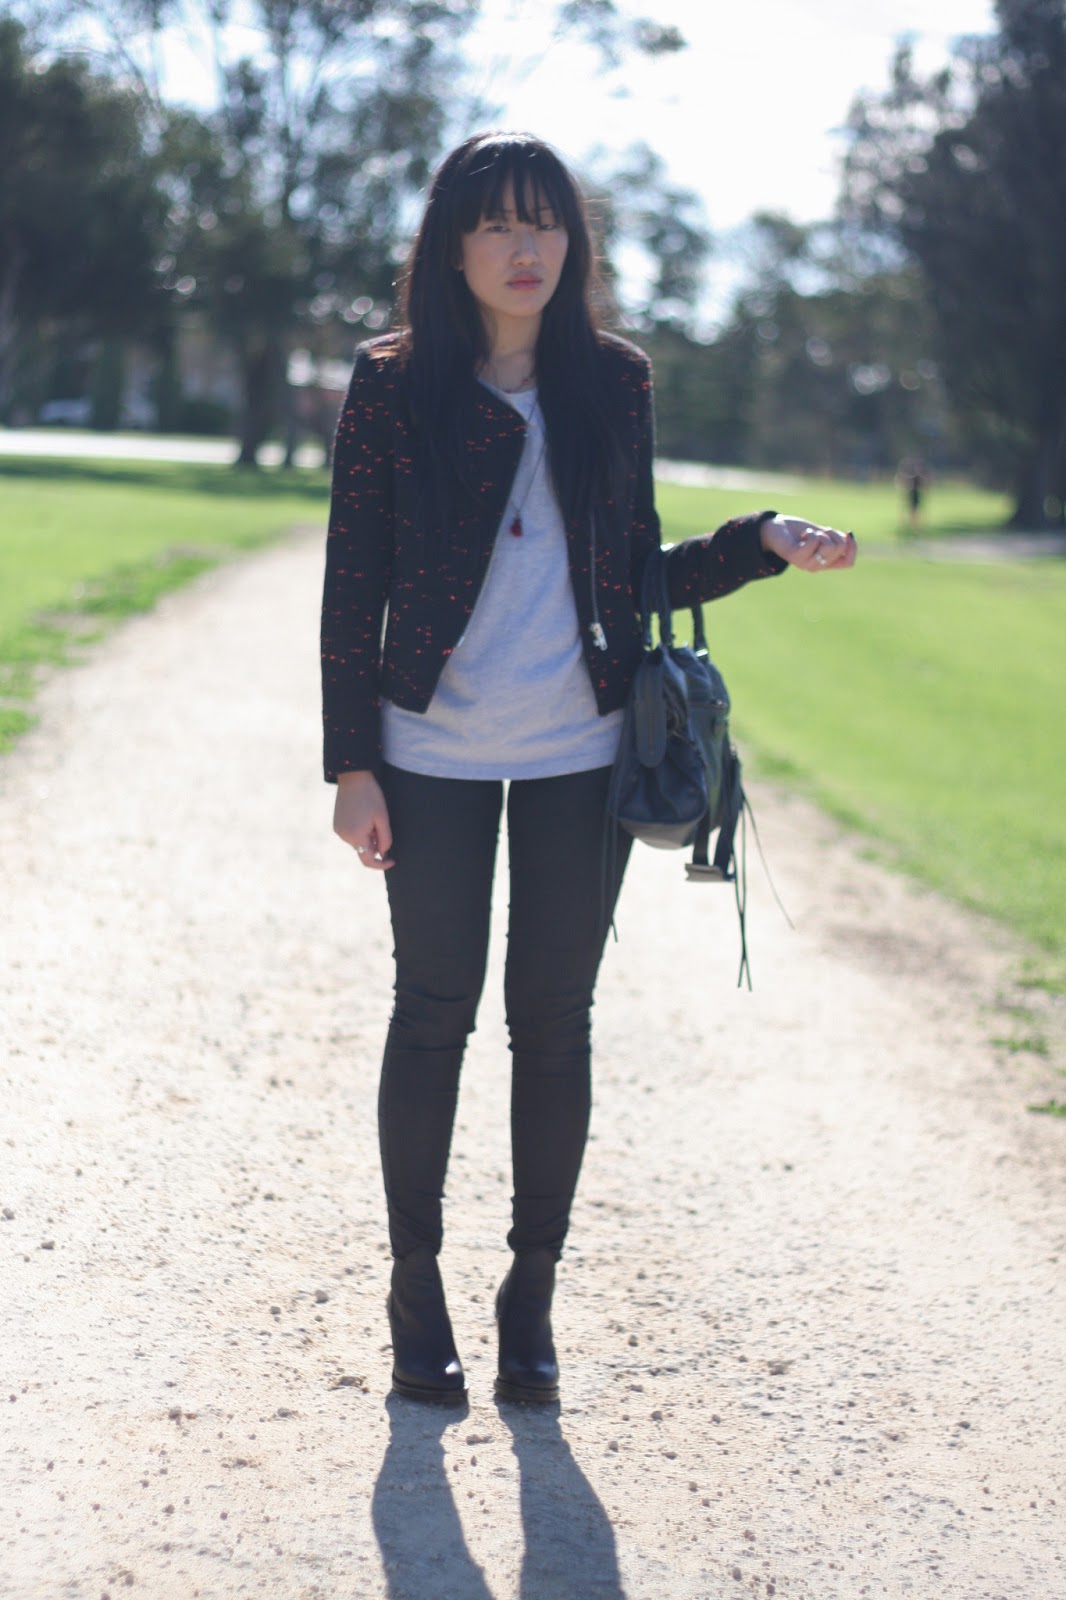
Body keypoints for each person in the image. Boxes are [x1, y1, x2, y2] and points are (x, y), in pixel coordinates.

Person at [321, 131, 857, 1407]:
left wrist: (760, 541)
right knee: (432, 1012)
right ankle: (415, 1292)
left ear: (574, 240)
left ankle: (530, 1296)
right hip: (429, 751)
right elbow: (353, 584)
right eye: (499, 224)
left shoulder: (613, 381)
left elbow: (632, 573)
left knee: (553, 1023)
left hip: (579, 749)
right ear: (452, 245)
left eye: (547, 222)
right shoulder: (392, 385)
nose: (528, 248)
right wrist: (352, 764)